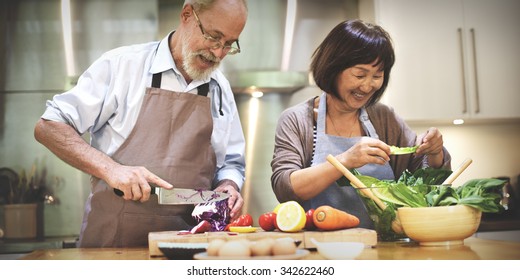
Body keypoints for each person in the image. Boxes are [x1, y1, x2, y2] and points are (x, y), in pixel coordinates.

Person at [34, 0, 248, 248]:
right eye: (214, 37)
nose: (219, 52)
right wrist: (112, 169)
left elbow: (231, 162)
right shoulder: (122, 66)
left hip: (190, 248)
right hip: (113, 247)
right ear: (187, 15)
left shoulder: (220, 88)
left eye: (229, 44)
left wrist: (228, 185)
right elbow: (49, 125)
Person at [270, 19, 451, 229]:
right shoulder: (296, 120)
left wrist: (435, 152)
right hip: (320, 246)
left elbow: (427, 182)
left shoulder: (384, 118)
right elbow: (285, 187)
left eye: (377, 76)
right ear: (333, 67)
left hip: (385, 246)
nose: (367, 86)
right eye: (359, 74)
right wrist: (346, 160)